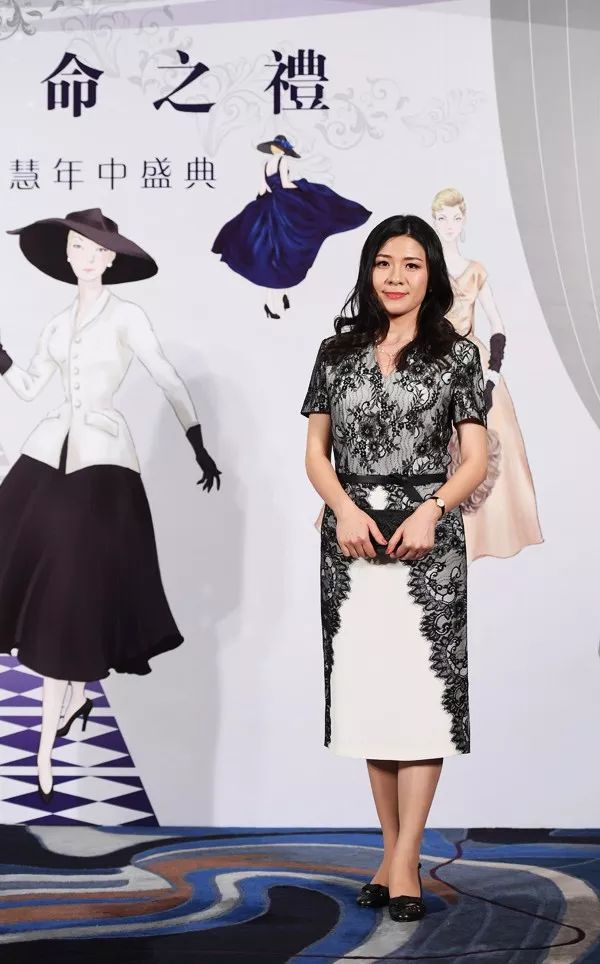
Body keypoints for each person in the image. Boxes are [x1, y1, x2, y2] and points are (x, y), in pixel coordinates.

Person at [0, 208, 221, 803]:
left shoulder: (127, 316)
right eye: (77, 247)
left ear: (111, 259)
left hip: (103, 461)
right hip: (49, 453)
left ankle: (49, 739)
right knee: (37, 570)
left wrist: (197, 442)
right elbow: (29, 387)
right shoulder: (55, 323)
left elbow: (166, 376)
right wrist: (1, 357)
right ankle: (69, 701)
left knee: (72, 587)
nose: (86, 257)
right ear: (67, 254)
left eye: (96, 249)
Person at [302, 214, 488, 922]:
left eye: (411, 264)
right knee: (370, 704)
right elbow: (315, 453)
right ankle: (392, 854)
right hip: (349, 544)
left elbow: (474, 459)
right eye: (384, 263)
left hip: (426, 545)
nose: (396, 277)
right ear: (368, 271)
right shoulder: (335, 351)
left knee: (421, 705)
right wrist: (343, 510)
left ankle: (404, 860)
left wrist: (432, 510)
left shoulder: (457, 356)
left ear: (431, 274)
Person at [431, 187, 543, 561]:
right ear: (434, 221)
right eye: (442, 218)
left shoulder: (475, 270)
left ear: (464, 221)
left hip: (471, 360)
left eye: (455, 218)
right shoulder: (426, 267)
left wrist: (492, 375)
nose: (449, 225)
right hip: (431, 357)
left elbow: (498, 325)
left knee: (484, 444)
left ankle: (475, 537)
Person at [212, 134, 370, 319]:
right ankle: (276, 301)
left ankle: (276, 300)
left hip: (270, 203)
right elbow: (285, 184)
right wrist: (304, 190)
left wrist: (260, 206)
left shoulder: (266, 164)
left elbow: (263, 189)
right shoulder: (282, 162)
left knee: (272, 254)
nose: (276, 150)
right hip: (283, 204)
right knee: (285, 250)